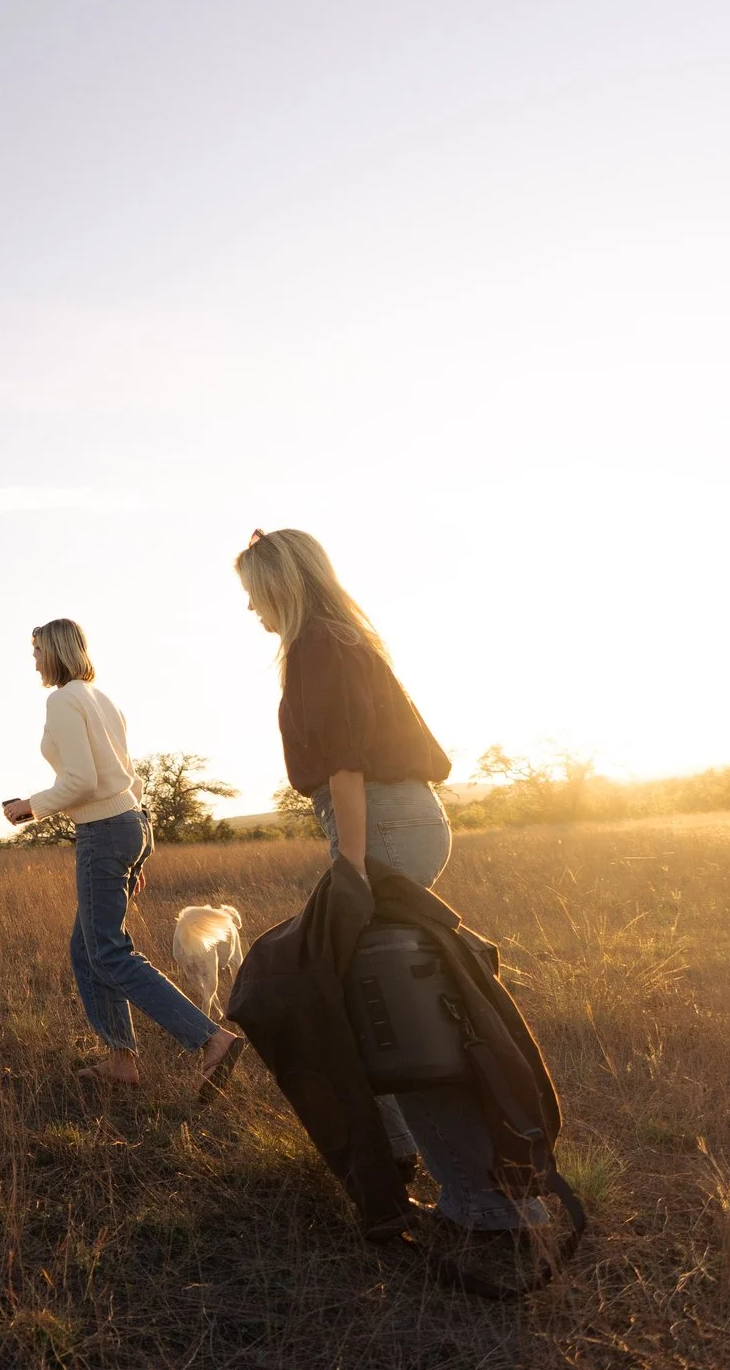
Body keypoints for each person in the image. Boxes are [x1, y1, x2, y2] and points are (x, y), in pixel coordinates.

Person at [234, 527, 549, 1235]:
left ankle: (485, 1202)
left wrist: (351, 864)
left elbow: (345, 762)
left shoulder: (318, 644)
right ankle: (401, 1157)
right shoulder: (338, 639)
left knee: (395, 1011)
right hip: (389, 821)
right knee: (362, 998)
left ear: (280, 584)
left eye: (253, 593)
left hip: (379, 826)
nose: (250, 608)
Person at [2, 618, 246, 1099]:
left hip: (104, 831)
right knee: (86, 947)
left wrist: (28, 807)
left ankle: (211, 1039)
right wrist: (137, 854)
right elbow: (128, 779)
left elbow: (82, 781)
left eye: (35, 651)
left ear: (53, 651)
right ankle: (121, 1061)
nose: (33, 660)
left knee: (109, 951)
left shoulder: (63, 699)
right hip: (131, 823)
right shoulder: (103, 698)